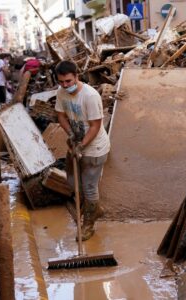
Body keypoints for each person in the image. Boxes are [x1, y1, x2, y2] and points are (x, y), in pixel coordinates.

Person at [54, 60, 110, 241]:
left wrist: (82, 145)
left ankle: (89, 225)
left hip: (95, 148)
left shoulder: (90, 96)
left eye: (68, 81)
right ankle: (96, 210)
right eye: (61, 82)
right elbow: (60, 115)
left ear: (77, 76)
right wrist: (71, 134)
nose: (65, 85)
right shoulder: (61, 93)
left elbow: (95, 125)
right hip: (77, 143)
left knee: (89, 187)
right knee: (72, 183)